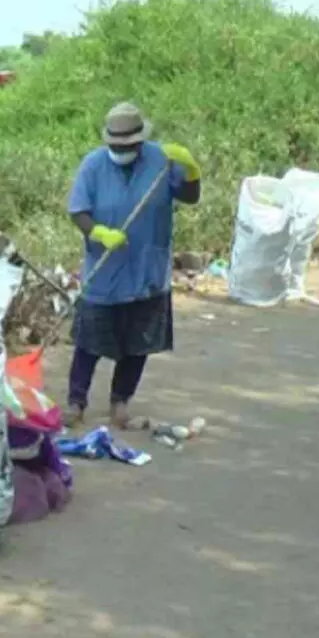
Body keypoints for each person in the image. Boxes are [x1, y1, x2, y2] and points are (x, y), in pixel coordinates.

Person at [65, 102, 200, 427]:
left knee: (138, 343)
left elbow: (190, 196)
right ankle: (76, 401)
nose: (121, 150)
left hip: (147, 270)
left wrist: (192, 171)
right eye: (115, 145)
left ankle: (120, 401)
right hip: (105, 271)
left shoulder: (161, 160)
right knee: (89, 341)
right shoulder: (93, 165)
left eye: (127, 145)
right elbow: (77, 211)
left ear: (140, 141)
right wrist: (97, 231)